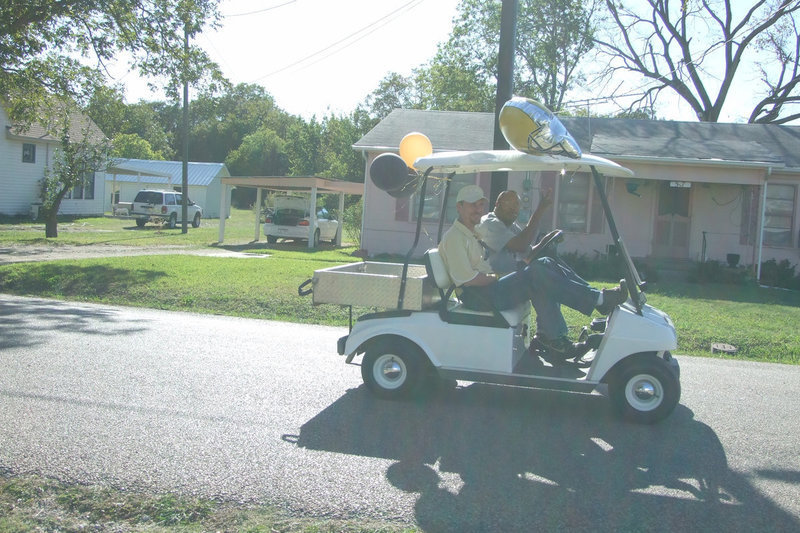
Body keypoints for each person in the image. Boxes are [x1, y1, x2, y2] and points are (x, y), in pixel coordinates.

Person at [438, 184, 627, 355]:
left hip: (487, 289)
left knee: (543, 265)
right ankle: (597, 301)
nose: (478, 210)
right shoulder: (456, 237)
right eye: (472, 205)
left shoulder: (473, 231)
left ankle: (556, 336)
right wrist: (499, 276)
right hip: (478, 296)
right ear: (459, 207)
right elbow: (468, 279)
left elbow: (521, 252)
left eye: (480, 205)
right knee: (536, 274)